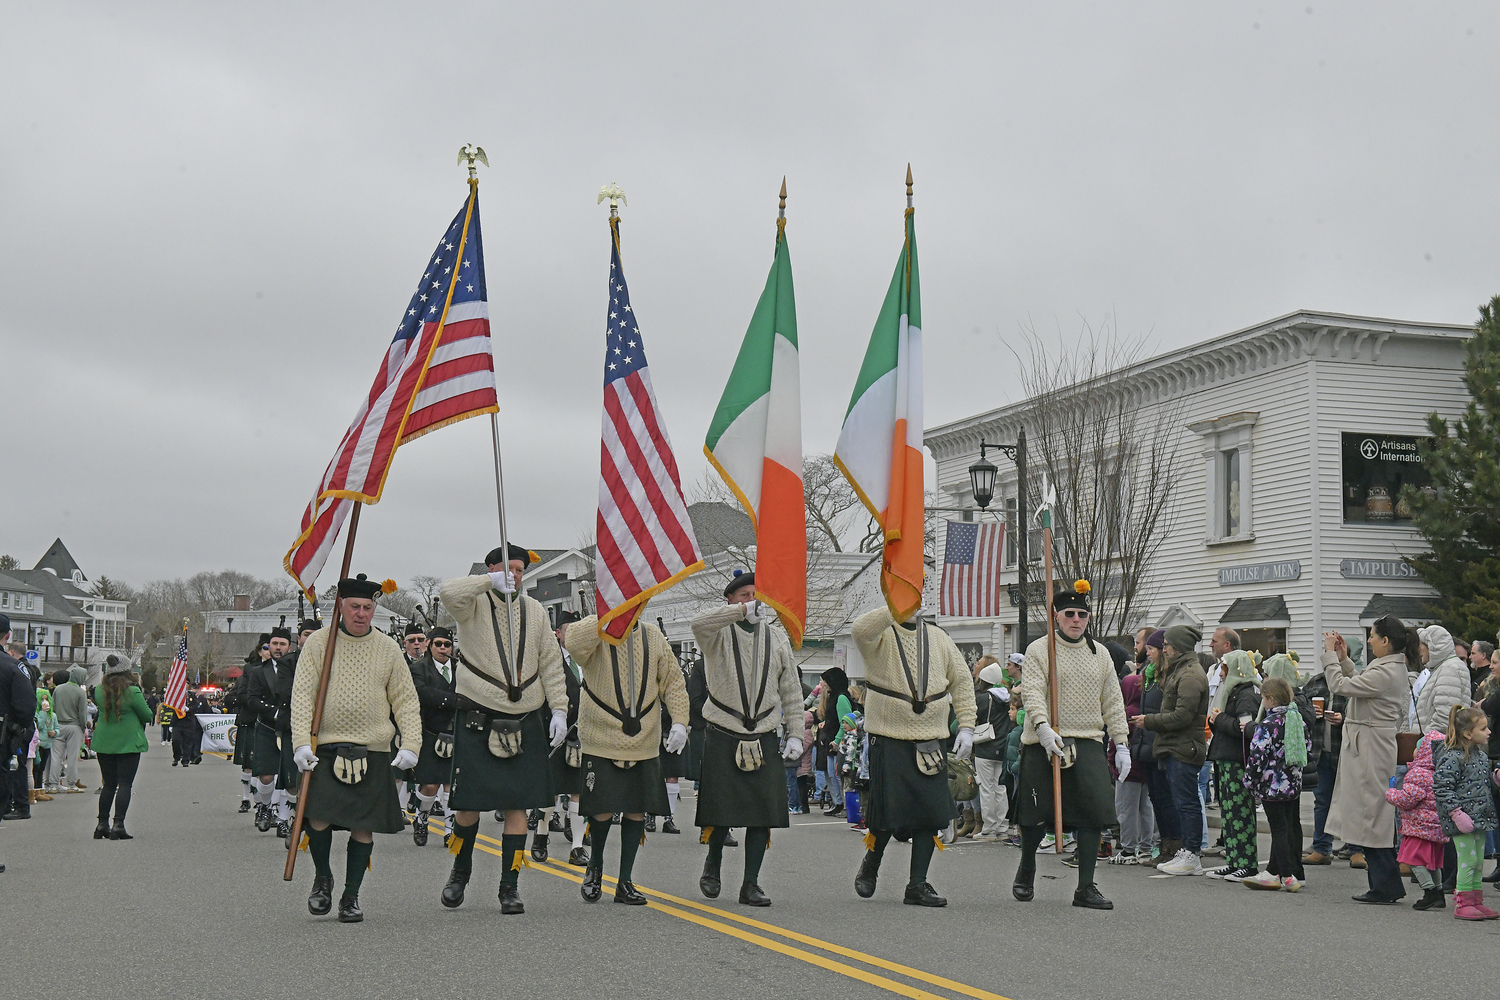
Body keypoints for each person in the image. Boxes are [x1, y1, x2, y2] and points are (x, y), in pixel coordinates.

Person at [437, 545, 569, 914]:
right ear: (492, 568)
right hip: (479, 714)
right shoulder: (472, 604)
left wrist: (559, 708)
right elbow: (449, 593)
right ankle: (460, 871)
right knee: (468, 807)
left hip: (525, 718)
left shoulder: (536, 611)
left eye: (519, 569)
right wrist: (487, 581)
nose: (514, 575)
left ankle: (509, 886)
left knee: (518, 806)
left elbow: (551, 663)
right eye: (506, 569)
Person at [290, 574, 422, 923]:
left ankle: (351, 896)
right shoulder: (319, 644)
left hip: (373, 748)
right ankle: (322, 879)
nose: (361, 613)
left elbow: (406, 701)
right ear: (340, 607)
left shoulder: (389, 648)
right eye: (355, 607)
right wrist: (301, 742)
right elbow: (302, 696)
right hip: (326, 747)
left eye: (367, 607)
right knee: (317, 819)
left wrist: (411, 743)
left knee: (362, 826)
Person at [689, 571, 804, 906]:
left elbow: (792, 691)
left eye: (755, 595)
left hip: (764, 732)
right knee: (721, 810)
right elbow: (698, 624)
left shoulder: (778, 638)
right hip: (724, 730)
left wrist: (795, 732)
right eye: (743, 595)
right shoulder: (717, 634)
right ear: (730, 600)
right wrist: (739, 614)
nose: (750, 600)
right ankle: (713, 864)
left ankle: (751, 883)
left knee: (762, 814)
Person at [1012, 581, 1128, 910]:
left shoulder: (1100, 653)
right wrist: (1043, 726)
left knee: (1093, 814)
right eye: (1069, 614)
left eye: (1081, 615)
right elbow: (1032, 691)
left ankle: (1086, 887)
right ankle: (1027, 866)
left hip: (1088, 739)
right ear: (1057, 617)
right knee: (1035, 815)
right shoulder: (1039, 650)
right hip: (1043, 741)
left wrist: (1121, 742)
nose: (1076, 620)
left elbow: (1113, 701)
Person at [564, 610, 689, 905]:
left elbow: (673, 681)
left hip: (643, 738)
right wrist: (604, 619)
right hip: (601, 737)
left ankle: (625, 881)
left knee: (636, 810)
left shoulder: (654, 636)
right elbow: (573, 643)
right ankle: (594, 868)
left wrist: (681, 721)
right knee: (603, 809)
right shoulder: (597, 632)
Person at [1322, 615, 1417, 903]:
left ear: (1386, 641)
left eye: (1373, 636)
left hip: (1372, 747)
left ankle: (1384, 885)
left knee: (1373, 815)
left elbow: (1341, 685)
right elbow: (1360, 682)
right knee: (1373, 814)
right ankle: (1382, 884)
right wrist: (1343, 658)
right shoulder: (1388, 667)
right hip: (1371, 743)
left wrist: (1329, 656)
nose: (1369, 640)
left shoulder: (1387, 671)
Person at [1135, 625, 1209, 876]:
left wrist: (1150, 721)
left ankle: (1191, 852)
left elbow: (1183, 716)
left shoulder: (1189, 675)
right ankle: (1183, 851)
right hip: (1175, 746)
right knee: (1177, 801)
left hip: (1184, 747)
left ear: (1178, 646)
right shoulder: (1180, 671)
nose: (1163, 648)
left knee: (1186, 803)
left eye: (1167, 644)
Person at [1241, 676, 1312, 891]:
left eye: (1263, 698)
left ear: (1270, 699)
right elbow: (1307, 747)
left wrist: (1249, 781)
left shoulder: (1268, 724)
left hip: (1272, 784)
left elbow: (1257, 755)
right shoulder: (1297, 720)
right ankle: (1272, 871)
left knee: (1278, 829)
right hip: (1293, 783)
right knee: (1288, 826)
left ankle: (1287, 876)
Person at [1434, 705, 1499, 920]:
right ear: (1468, 734)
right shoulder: (1452, 757)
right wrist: (1456, 813)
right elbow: (1442, 787)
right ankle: (1463, 903)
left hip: (1480, 817)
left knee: (1479, 861)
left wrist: (1495, 780)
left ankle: (1476, 901)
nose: (1488, 732)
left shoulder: (1480, 756)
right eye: (1483, 729)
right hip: (1463, 820)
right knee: (1468, 861)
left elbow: (1481, 784)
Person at [1204, 650, 1261, 881]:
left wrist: (1220, 719)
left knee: (1241, 813)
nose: (1221, 673)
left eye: (1225, 668)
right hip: (1226, 758)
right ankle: (1234, 861)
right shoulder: (1233, 691)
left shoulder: (1246, 693)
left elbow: (1245, 729)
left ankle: (1247, 863)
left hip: (1238, 761)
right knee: (1228, 813)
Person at [1384, 726, 1450, 909]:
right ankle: (1439, 893)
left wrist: (1391, 794)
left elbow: (1408, 799)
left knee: (1413, 860)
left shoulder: (1417, 774)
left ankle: (1429, 891)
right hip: (1436, 828)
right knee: (1434, 863)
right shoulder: (1440, 773)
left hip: (1418, 827)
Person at [91, 655, 153, 840]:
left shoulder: (100, 690)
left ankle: (102, 824)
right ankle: (118, 824)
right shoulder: (132, 691)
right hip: (128, 743)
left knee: (108, 784)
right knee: (125, 784)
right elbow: (147, 715)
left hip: (104, 742)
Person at [407, 624, 457, 849]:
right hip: (430, 732)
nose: (443, 648)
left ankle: (450, 830)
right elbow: (421, 693)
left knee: (450, 784)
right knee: (429, 785)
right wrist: (453, 700)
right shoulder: (420, 668)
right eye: (438, 644)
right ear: (429, 644)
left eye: (447, 644)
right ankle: (422, 817)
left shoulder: (461, 668)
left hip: (455, 733)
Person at [245, 629, 294, 834]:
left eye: (282, 644)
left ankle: (283, 819)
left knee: (288, 778)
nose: (278, 648)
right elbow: (251, 699)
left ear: (289, 647)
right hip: (266, 726)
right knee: (266, 776)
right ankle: (265, 806)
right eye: (274, 644)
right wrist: (274, 713)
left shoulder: (296, 669)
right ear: (269, 647)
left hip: (290, 729)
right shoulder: (258, 671)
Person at [1112, 661, 1154, 865]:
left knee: (1125, 808)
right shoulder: (1147, 710)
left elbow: (1116, 740)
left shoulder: (1126, 712)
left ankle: (1128, 849)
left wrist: (1112, 763)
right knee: (1145, 807)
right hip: (1145, 766)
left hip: (1127, 769)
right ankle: (1146, 847)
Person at [972, 659, 1013, 842]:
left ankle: (989, 828)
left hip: (985, 745)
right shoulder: (1007, 696)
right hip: (1003, 746)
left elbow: (974, 718)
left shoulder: (983, 698)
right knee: (1000, 788)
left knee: (986, 788)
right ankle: (1002, 826)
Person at [0, 620, 36, 822]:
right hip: (4, 733)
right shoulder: (13, 666)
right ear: (7, 635)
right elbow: (26, 705)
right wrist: (21, 730)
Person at [1415, 625, 1469, 734]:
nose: (1419, 648)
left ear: (1433, 646)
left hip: (1436, 746)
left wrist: (1424, 743)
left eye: (1422, 644)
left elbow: (1445, 718)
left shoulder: (1450, 669)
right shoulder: (1441, 669)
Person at [818, 667, 853, 817]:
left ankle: (842, 804)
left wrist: (837, 740)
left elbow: (845, 721)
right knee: (832, 774)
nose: (823, 684)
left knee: (837, 775)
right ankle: (837, 802)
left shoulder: (841, 698)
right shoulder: (834, 697)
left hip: (838, 743)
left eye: (825, 681)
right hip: (830, 740)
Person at [49, 665, 87, 793]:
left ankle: (53, 784)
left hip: (58, 725)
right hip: (74, 726)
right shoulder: (80, 692)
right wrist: (83, 727)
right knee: (72, 757)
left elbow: (52, 709)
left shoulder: (58, 689)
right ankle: (71, 784)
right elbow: (82, 714)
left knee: (56, 756)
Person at [34, 690, 58, 797]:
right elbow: (38, 725)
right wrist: (43, 712)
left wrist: (55, 732)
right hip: (38, 745)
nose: (44, 701)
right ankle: (35, 789)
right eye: (42, 699)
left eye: (46, 699)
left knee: (42, 768)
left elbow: (57, 728)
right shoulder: (37, 714)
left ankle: (40, 789)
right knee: (36, 768)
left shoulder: (53, 715)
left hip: (48, 744)